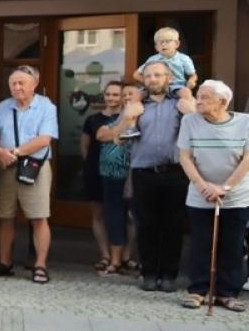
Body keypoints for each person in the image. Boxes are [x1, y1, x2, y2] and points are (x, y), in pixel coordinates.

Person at [111, 62, 194, 292]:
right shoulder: (136, 104)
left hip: (176, 172)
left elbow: (199, 129)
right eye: (148, 75)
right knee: (146, 225)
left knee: (173, 226)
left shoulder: (180, 103)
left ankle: (168, 275)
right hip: (143, 173)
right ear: (143, 80)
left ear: (168, 77)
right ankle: (148, 273)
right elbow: (117, 138)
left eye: (158, 75)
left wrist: (193, 111)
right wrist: (127, 118)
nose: (153, 79)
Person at [178, 80, 249, 311]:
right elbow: (185, 157)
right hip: (201, 195)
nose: (199, 100)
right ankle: (198, 290)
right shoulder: (190, 121)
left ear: (222, 101)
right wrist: (202, 186)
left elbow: (247, 160)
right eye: (199, 95)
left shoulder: (245, 123)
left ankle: (226, 293)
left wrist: (224, 187)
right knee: (201, 243)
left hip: (236, 196)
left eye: (205, 97)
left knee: (232, 245)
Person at [0, 66, 57, 283]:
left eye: (21, 83)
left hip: (34, 167)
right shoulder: (4, 107)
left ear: (34, 84)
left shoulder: (46, 107)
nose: (16, 87)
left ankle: (40, 265)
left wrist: (14, 152)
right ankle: (5, 262)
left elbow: (45, 138)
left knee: (38, 217)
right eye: (13, 84)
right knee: (4, 216)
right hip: (6, 167)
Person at [83, 82, 127, 274]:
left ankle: (125, 256)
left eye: (116, 95)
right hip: (96, 171)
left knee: (127, 215)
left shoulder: (128, 118)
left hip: (121, 172)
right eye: (108, 94)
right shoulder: (93, 119)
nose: (111, 98)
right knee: (99, 214)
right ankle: (105, 255)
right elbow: (85, 146)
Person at [135, 25, 197, 99]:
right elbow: (136, 75)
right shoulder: (153, 60)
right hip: (157, 87)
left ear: (177, 44)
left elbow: (193, 75)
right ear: (156, 47)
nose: (163, 45)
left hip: (177, 86)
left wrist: (191, 82)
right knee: (138, 94)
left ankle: (185, 109)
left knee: (185, 93)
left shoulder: (184, 59)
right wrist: (150, 82)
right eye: (160, 42)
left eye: (167, 42)